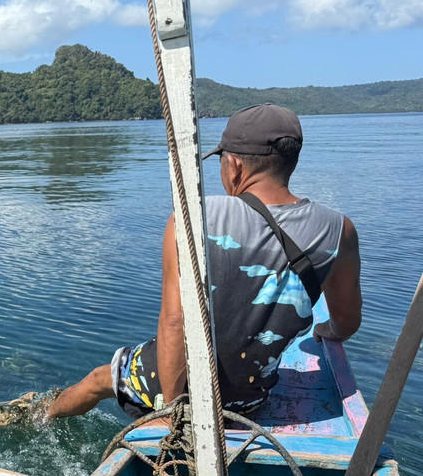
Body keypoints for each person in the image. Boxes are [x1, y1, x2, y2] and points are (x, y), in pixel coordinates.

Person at [46, 103, 362, 421]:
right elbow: (346, 322)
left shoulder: (194, 216)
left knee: (100, 378)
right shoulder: (339, 230)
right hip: (248, 402)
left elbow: (174, 324)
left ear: (235, 165)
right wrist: (327, 329)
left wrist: (174, 415)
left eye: (221, 162)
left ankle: (41, 417)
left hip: (176, 395)